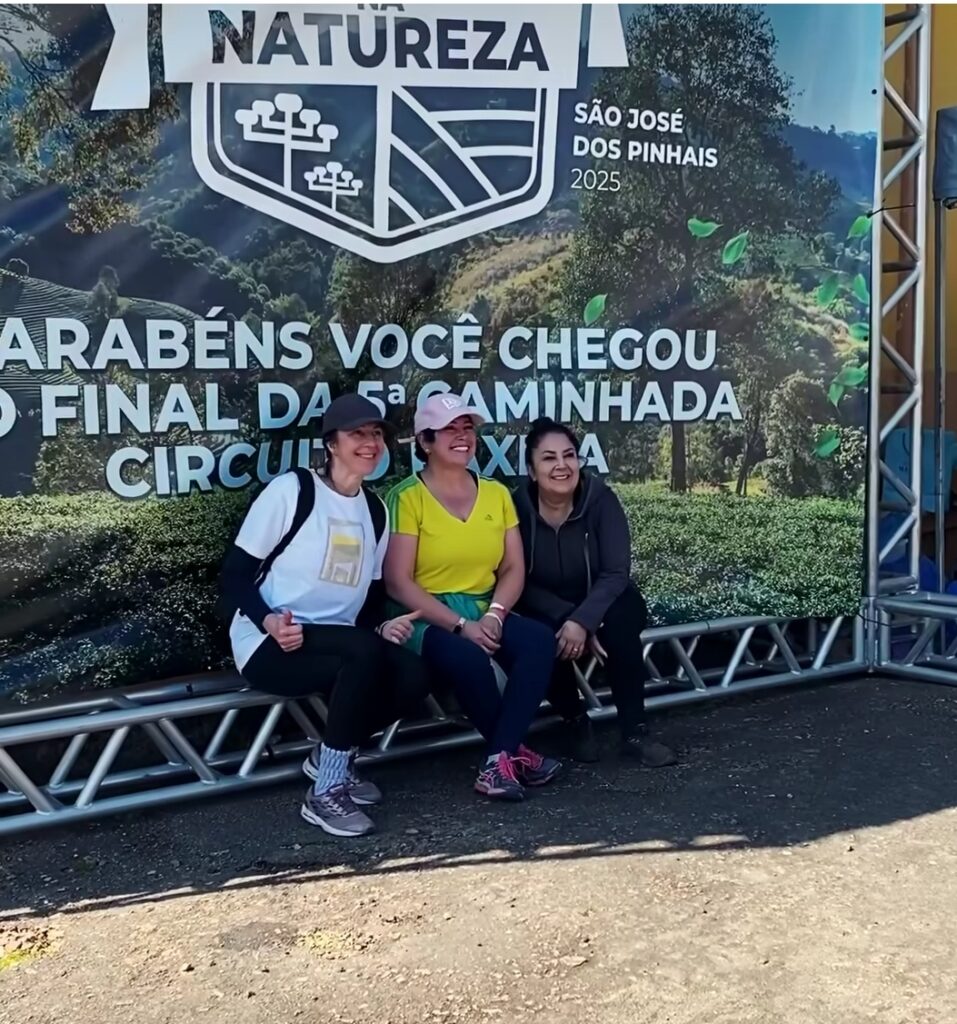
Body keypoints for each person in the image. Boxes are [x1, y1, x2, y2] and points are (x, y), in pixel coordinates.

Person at [220, 393, 431, 838]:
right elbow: (235, 575)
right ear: (331, 444)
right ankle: (327, 791)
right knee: (361, 651)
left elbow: (368, 598)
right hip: (271, 645)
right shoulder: (292, 491)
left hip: (343, 646)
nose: (371, 443)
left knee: (414, 674)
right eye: (358, 434)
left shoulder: (375, 510)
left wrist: (382, 625)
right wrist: (269, 622)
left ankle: (329, 757)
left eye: (377, 434)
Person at [383, 393, 561, 802]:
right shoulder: (406, 497)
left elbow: (513, 568)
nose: (462, 436)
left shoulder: (497, 493)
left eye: (467, 428)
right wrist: (461, 625)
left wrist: (495, 614)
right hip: (423, 615)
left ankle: (499, 758)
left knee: (537, 641)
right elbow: (397, 582)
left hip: (483, 606)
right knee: (467, 658)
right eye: (450, 429)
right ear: (425, 441)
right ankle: (514, 755)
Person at [515, 417, 677, 767]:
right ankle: (575, 721)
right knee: (541, 635)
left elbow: (616, 572)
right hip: (547, 601)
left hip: (606, 595)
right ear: (531, 470)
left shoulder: (601, 499)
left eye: (569, 455)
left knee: (620, 625)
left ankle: (634, 732)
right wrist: (569, 619)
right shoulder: (516, 508)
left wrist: (585, 620)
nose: (561, 465)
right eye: (548, 458)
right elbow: (517, 579)